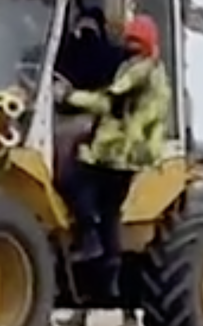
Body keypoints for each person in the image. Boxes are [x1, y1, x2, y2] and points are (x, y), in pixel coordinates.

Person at [59, 15, 171, 292]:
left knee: (72, 180)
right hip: (131, 153)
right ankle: (109, 281)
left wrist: (67, 96)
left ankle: (88, 236)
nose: (129, 45)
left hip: (119, 152)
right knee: (110, 213)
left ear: (144, 44)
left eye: (135, 40)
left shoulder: (138, 72)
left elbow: (107, 102)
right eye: (129, 39)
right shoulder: (152, 70)